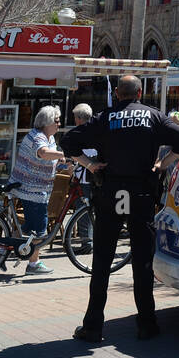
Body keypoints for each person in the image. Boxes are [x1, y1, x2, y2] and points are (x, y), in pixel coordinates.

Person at [60, 75, 179, 343]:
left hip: (110, 192)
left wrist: (90, 165)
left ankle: (93, 326)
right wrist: (162, 163)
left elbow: (69, 142)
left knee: (102, 261)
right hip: (141, 193)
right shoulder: (153, 116)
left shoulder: (104, 118)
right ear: (140, 92)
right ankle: (147, 324)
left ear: (117, 94)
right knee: (142, 261)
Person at [8, 105, 68, 274]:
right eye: (56, 121)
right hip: (31, 189)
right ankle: (34, 264)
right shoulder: (37, 137)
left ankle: (10, 246)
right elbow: (42, 153)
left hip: (37, 188)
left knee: (28, 227)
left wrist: (66, 163)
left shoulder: (49, 138)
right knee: (39, 228)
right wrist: (62, 154)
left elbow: (50, 160)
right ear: (47, 122)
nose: (59, 124)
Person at [67, 104, 98, 250]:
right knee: (91, 211)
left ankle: (87, 242)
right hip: (96, 177)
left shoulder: (77, 133)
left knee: (83, 211)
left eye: (75, 117)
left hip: (85, 178)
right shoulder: (97, 131)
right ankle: (91, 241)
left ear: (79, 119)